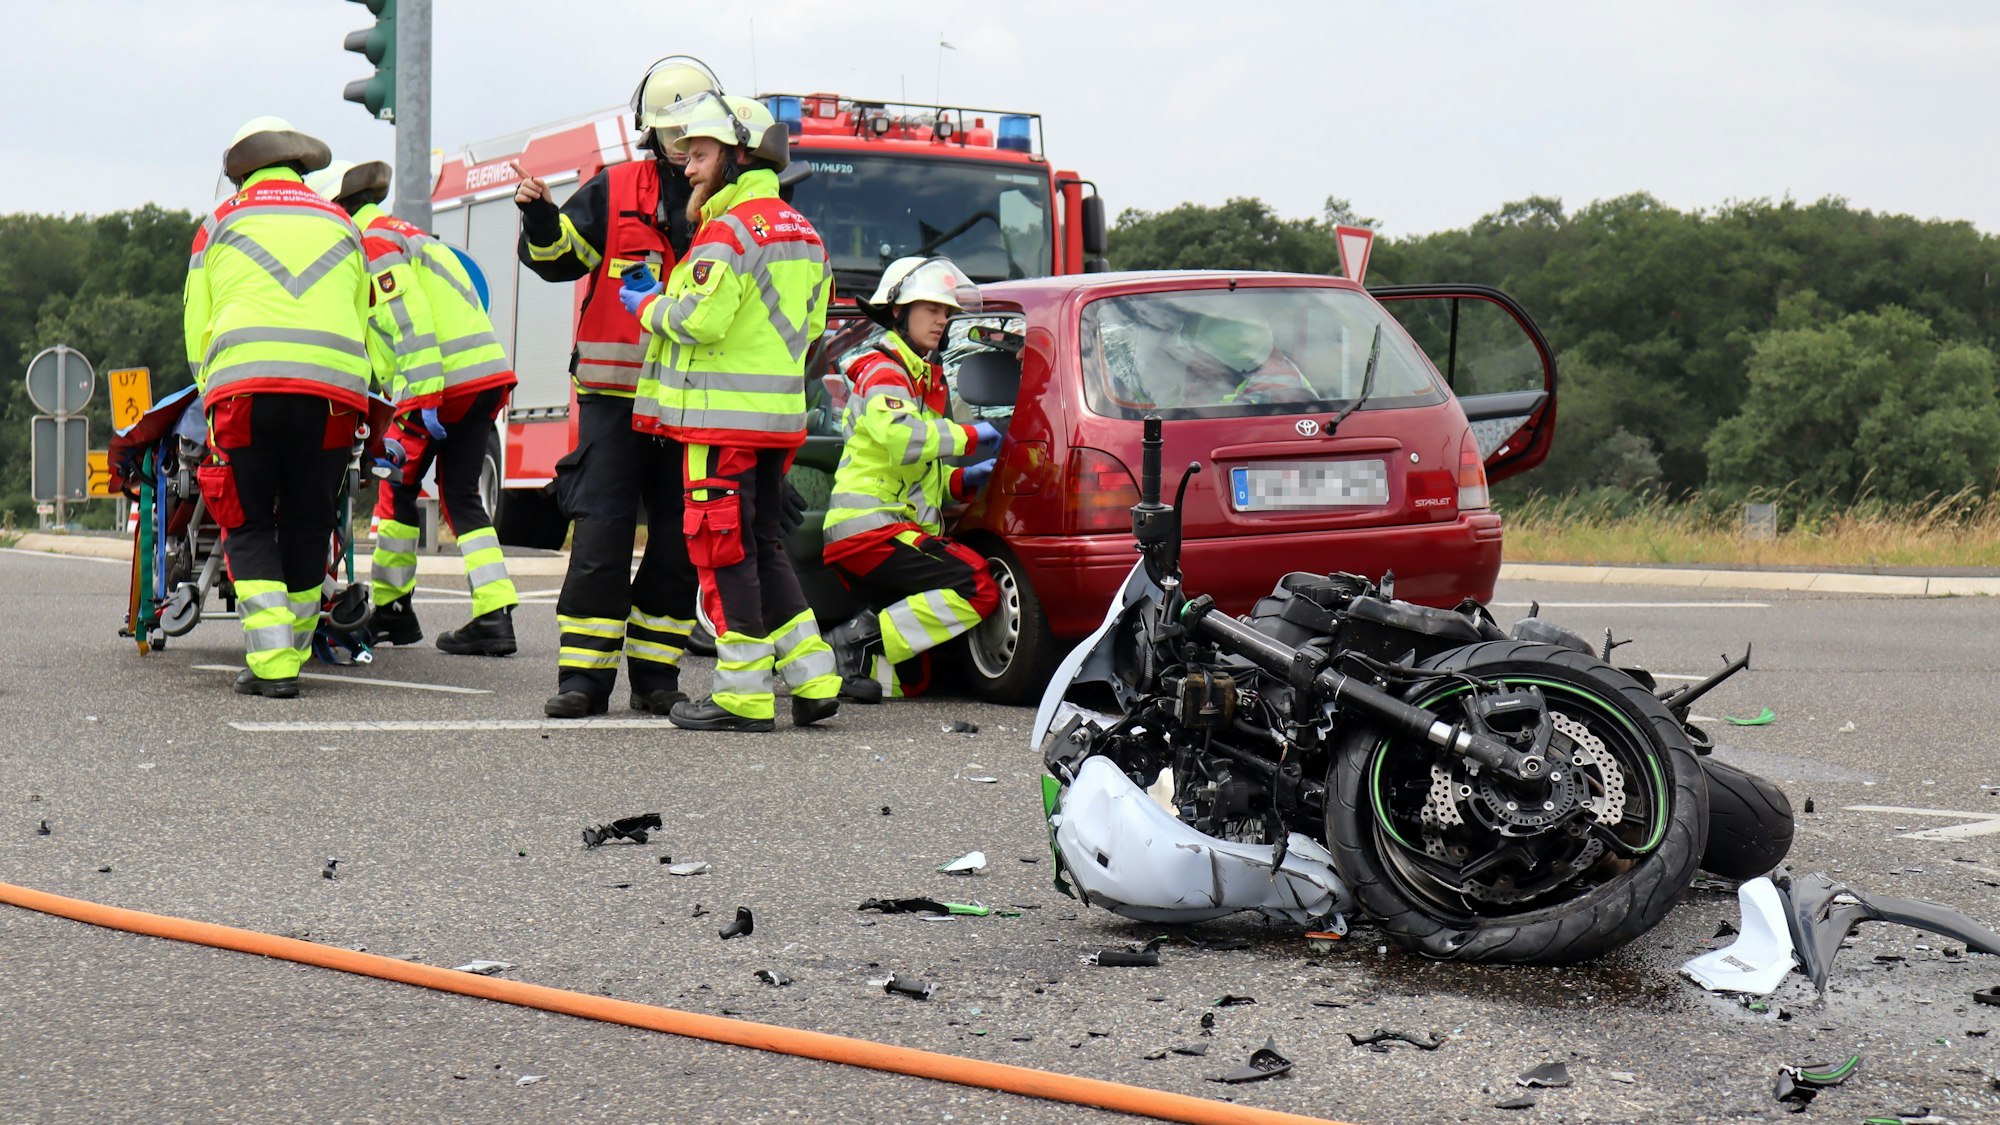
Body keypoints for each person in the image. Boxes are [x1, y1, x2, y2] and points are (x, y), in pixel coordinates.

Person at [627, 92, 842, 732]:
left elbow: (701, 318)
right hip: (776, 421)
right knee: (765, 548)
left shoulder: (728, 231)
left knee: (721, 550)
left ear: (736, 154)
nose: (687, 168)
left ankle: (742, 695)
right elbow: (811, 330)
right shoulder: (803, 232)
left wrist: (645, 304)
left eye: (698, 154)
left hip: (721, 422)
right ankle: (813, 679)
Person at [513, 56, 715, 717]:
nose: (683, 143)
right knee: (599, 538)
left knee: (679, 546)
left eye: (695, 130)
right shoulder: (615, 188)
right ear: (650, 133)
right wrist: (543, 218)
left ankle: (657, 678)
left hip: (692, 405)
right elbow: (560, 257)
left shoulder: (732, 206)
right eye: (673, 130)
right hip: (614, 402)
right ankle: (584, 680)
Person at [184, 117, 385, 697]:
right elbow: (363, 315)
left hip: (245, 391)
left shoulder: (220, 222)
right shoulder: (343, 223)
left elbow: (197, 320)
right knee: (308, 518)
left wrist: (210, 387)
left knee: (246, 519)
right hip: (332, 396)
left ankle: (272, 666)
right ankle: (291, 653)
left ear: (241, 170)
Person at [307, 159, 520, 655]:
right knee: (462, 495)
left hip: (439, 384)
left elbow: (408, 322)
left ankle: (394, 611)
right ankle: (495, 613)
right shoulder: (410, 236)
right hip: (481, 375)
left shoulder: (373, 245)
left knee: (394, 488)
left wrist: (421, 395)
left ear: (335, 211)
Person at [820, 256, 1003, 700]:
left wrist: (964, 481)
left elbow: (920, 476)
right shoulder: (887, 371)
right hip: (871, 529)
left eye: (947, 312)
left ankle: (832, 662)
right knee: (978, 585)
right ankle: (855, 639)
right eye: (931, 309)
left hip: (891, 527)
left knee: (913, 682)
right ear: (899, 310)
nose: (942, 319)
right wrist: (971, 436)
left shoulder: (919, 376)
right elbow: (904, 440)